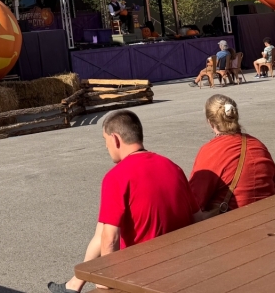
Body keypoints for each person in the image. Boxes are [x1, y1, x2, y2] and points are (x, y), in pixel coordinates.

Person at [48, 111, 199, 293]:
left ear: (115, 139)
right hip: (183, 264)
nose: (106, 146)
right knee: (103, 225)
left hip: (142, 274)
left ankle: (74, 285)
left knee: (105, 229)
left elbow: (110, 239)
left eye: (105, 140)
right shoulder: (172, 166)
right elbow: (197, 217)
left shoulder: (117, 177)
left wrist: (104, 281)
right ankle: (74, 284)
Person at [189, 95, 275, 214]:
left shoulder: (210, 151)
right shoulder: (258, 145)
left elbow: (194, 201)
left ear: (210, 122)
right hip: (268, 217)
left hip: (232, 224)